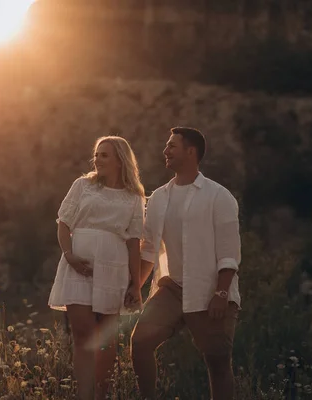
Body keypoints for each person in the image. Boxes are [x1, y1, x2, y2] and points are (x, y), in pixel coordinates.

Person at [129, 127, 241, 400]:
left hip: (210, 291)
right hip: (172, 288)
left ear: (191, 152)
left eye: (172, 146)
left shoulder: (219, 196)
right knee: (140, 342)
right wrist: (136, 288)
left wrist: (222, 293)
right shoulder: (158, 198)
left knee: (217, 363)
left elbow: (229, 252)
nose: (165, 151)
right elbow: (149, 248)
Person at [48, 135, 146, 400]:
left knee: (106, 340)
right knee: (82, 334)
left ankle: (101, 395)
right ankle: (84, 395)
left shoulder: (134, 197)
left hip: (114, 268)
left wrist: (135, 284)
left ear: (120, 160)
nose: (98, 159)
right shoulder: (83, 185)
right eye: (97, 154)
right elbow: (63, 223)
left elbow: (134, 241)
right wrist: (68, 255)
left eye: (105, 155)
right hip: (78, 265)